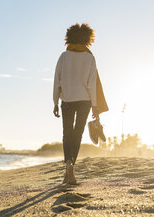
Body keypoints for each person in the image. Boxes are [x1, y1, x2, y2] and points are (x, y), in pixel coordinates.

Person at [53, 23, 108, 185]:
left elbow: (57, 81)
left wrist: (55, 102)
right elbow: (92, 84)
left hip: (67, 100)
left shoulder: (64, 56)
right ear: (87, 39)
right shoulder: (89, 58)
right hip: (85, 100)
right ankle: (72, 168)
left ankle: (67, 164)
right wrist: (95, 106)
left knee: (67, 133)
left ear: (69, 38)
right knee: (77, 134)